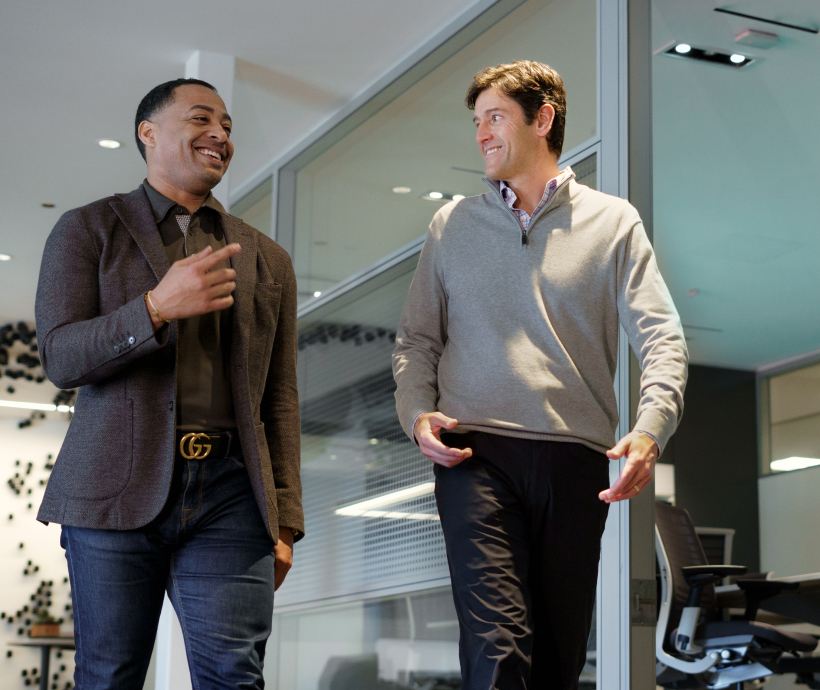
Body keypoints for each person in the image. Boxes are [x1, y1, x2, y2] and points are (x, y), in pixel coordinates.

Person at [392, 60, 688, 690]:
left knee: (556, 659)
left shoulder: (613, 223)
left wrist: (651, 428)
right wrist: (416, 413)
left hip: (573, 459)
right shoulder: (452, 226)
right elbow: (417, 340)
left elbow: (662, 337)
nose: (481, 134)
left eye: (494, 117)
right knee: (498, 647)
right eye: (477, 122)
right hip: (474, 454)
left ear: (543, 118)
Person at [35, 78, 302, 690]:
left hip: (233, 495)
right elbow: (61, 357)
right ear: (147, 132)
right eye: (202, 119)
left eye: (228, 126)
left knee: (235, 676)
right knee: (109, 676)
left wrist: (284, 520)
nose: (221, 135)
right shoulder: (87, 230)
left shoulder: (266, 258)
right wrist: (154, 308)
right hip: (111, 490)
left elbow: (279, 398)